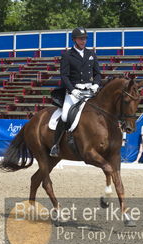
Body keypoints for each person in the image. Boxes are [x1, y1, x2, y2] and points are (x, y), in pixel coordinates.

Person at [49, 27, 101, 157]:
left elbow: (97, 73)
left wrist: (96, 84)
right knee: (65, 116)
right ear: (74, 40)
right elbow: (64, 76)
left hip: (89, 91)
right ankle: (55, 145)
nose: (83, 41)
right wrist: (72, 90)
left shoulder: (91, 54)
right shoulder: (67, 55)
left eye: (85, 38)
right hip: (74, 92)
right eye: (80, 38)